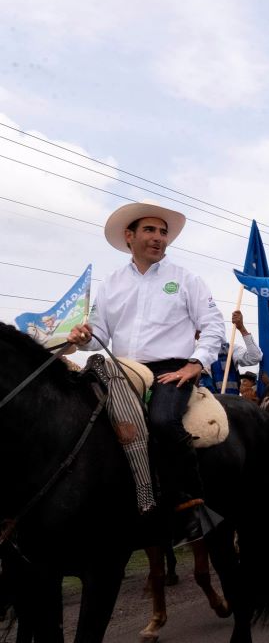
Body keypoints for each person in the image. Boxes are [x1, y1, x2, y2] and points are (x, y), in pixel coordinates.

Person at [68, 201, 225, 544]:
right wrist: (83, 337)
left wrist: (196, 363)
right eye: (150, 230)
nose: (158, 238)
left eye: (163, 232)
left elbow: (213, 325)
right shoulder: (111, 283)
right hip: (121, 370)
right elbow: (98, 334)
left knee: (163, 421)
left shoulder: (185, 279)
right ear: (130, 236)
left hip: (172, 370)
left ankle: (192, 506)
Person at [198, 310, 263, 394]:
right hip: (203, 405)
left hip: (229, 405)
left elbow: (255, 357)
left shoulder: (230, 350)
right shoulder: (191, 353)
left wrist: (242, 328)